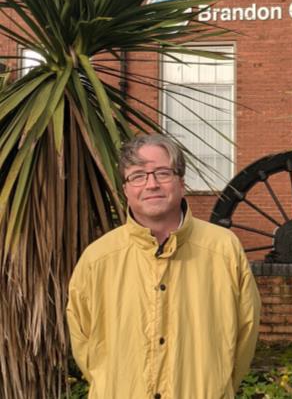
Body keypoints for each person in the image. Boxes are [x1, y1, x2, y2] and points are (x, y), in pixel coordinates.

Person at [66, 133, 261, 399]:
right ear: (125, 189)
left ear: (181, 183)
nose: (151, 184)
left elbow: (245, 335)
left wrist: (216, 387)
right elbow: (84, 343)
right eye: (138, 175)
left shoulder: (224, 250)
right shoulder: (97, 259)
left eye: (162, 173)